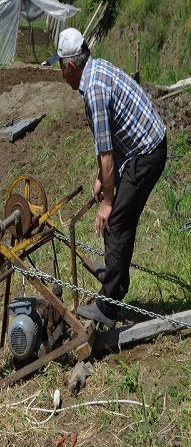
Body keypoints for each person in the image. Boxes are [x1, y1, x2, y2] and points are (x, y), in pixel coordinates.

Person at [55, 28, 167, 327]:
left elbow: (106, 154)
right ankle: (114, 278)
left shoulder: (92, 89)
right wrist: (100, 181)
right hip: (138, 149)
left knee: (116, 220)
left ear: (71, 66)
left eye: (60, 67)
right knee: (117, 217)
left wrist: (106, 201)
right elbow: (112, 140)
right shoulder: (95, 71)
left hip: (147, 153)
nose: (60, 73)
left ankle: (109, 306)